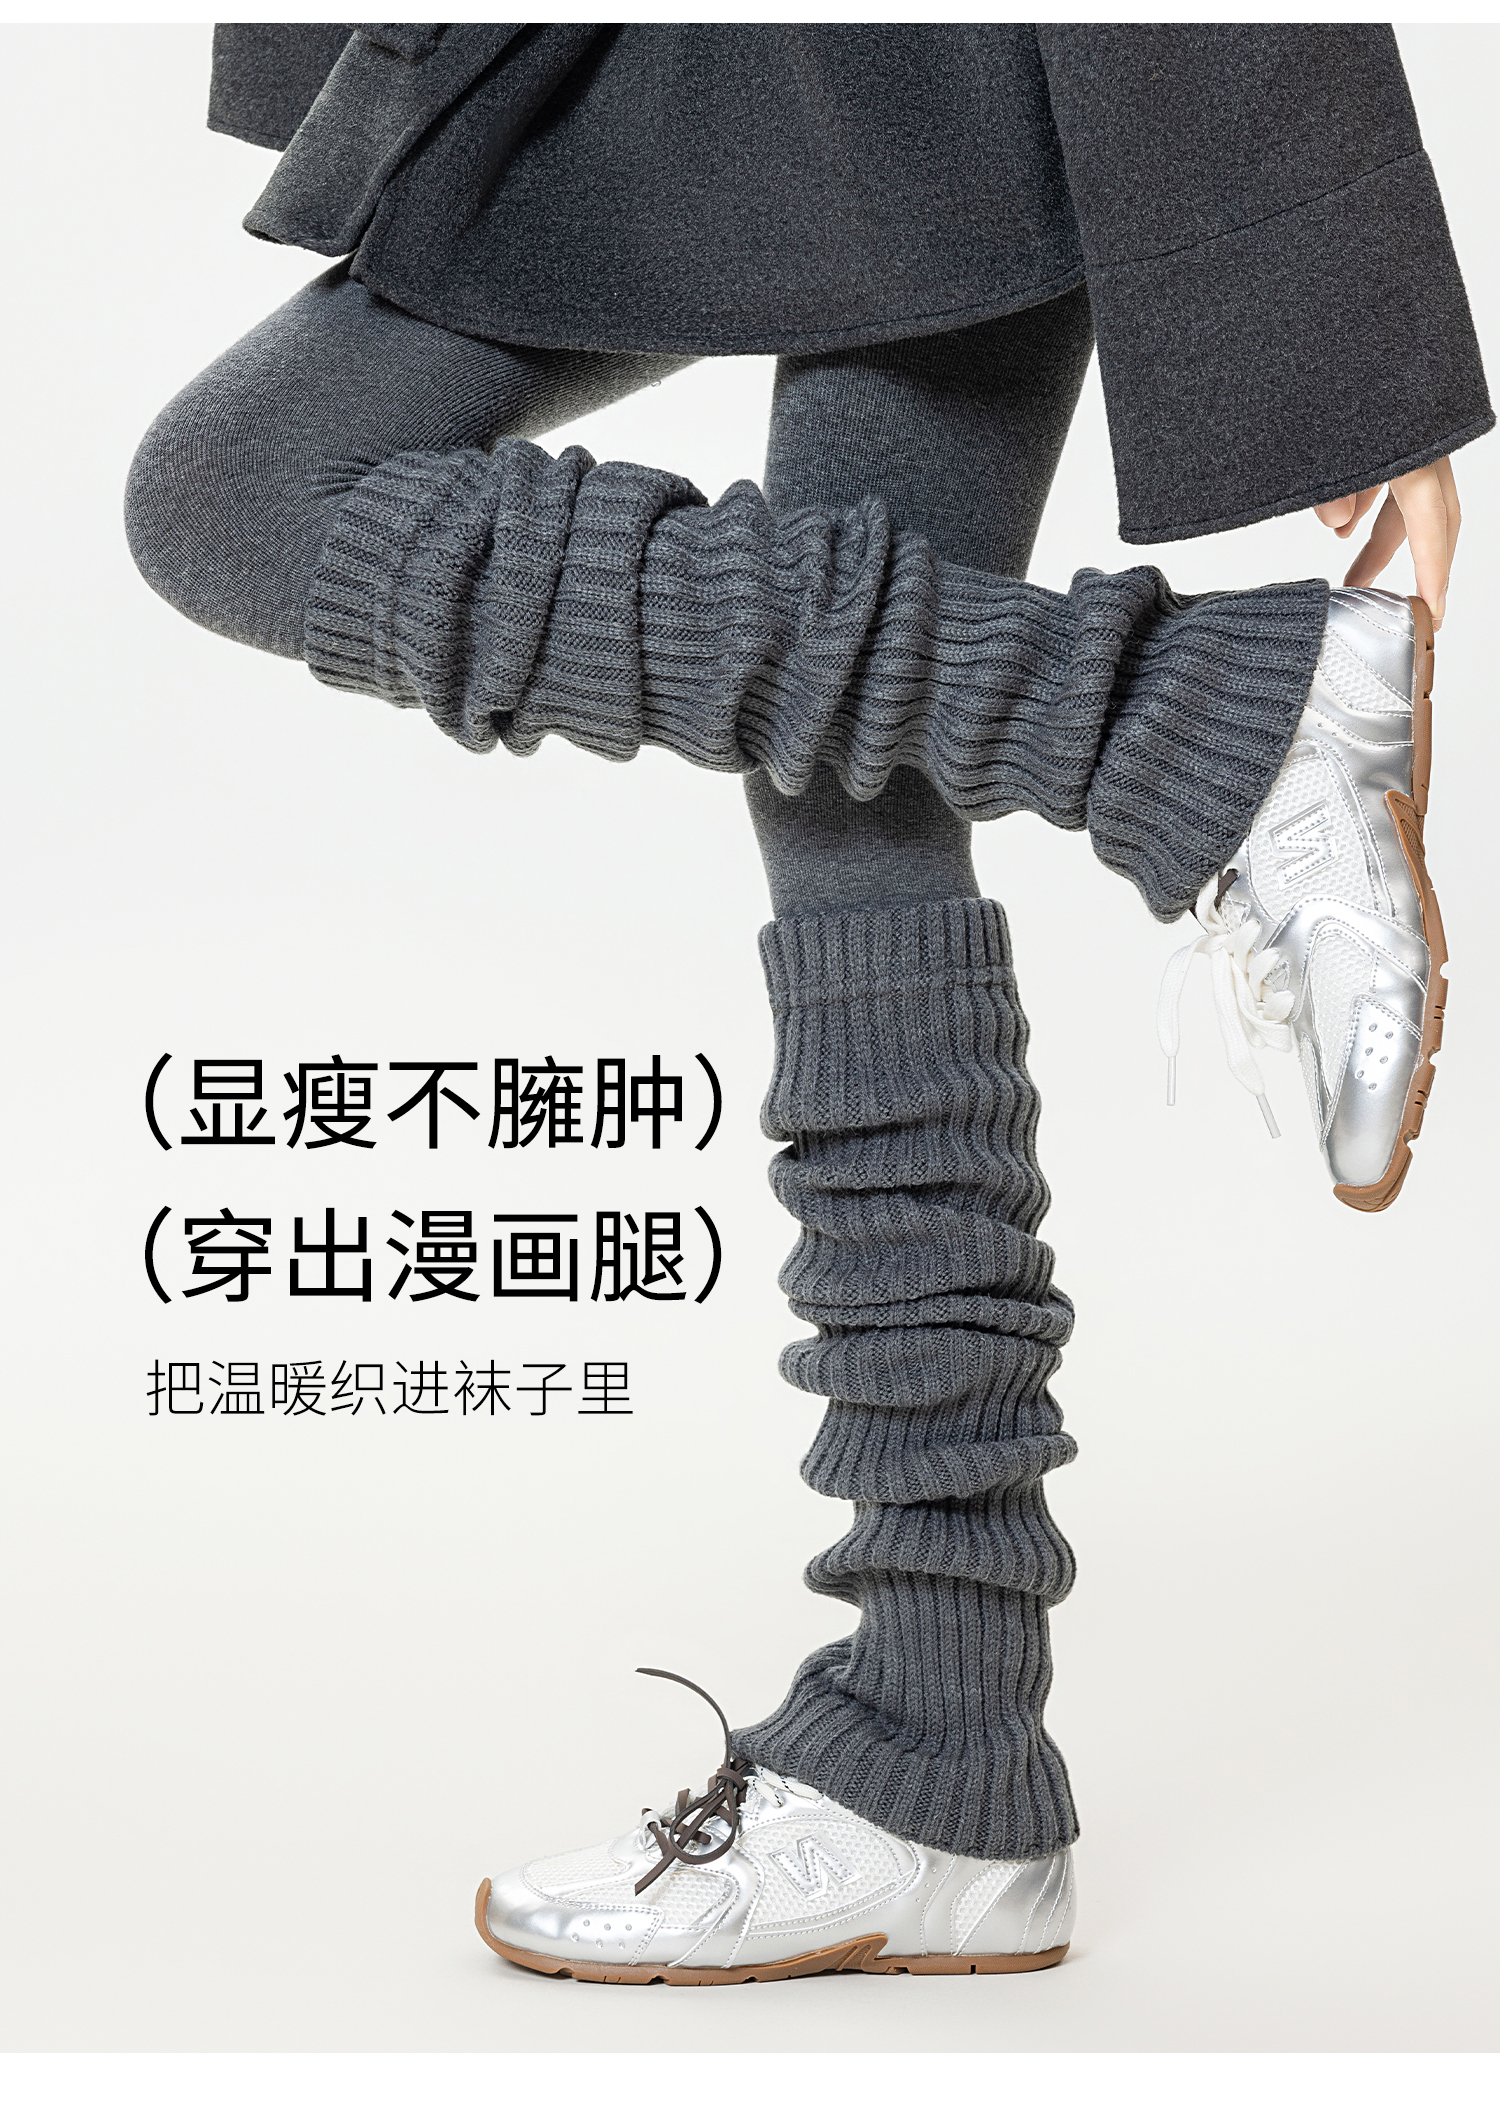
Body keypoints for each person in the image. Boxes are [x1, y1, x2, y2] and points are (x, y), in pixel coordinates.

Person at [125, 23, 1490, 1984]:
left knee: (255, 500)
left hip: (929, 74)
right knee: (829, 767)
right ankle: (947, 1751)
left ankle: (939, 1744)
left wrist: (1333, 326)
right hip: (675, 59)